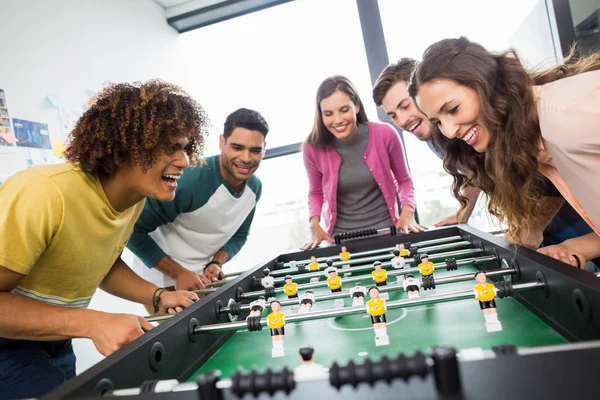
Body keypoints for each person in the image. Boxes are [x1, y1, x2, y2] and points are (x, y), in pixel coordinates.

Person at [0, 80, 204, 399]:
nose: (184, 160)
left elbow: (99, 263)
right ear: (126, 146)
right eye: (170, 147)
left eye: (185, 147)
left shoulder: (135, 199)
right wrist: (93, 323)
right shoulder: (44, 194)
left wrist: (157, 296)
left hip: (55, 336)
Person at [374, 58, 598, 263]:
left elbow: (547, 174)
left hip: (568, 210)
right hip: (537, 216)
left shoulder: (559, 117)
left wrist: (533, 228)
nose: (402, 120)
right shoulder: (440, 135)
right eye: (393, 115)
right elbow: (474, 172)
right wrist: (464, 212)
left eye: (405, 106)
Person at [127, 108, 268, 295]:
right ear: (222, 142)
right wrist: (178, 274)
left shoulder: (254, 188)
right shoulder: (189, 180)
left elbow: (239, 235)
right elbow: (131, 230)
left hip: (202, 276)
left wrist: (216, 262)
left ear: (264, 148)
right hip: (163, 278)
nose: (246, 158)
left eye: (255, 150)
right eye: (237, 147)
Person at [302, 75, 425, 250]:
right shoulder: (311, 148)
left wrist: (407, 213)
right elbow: (315, 192)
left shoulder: (385, 134)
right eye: (328, 114)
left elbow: (404, 181)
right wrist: (314, 224)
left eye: (344, 110)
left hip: (388, 233)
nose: (337, 120)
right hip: (339, 241)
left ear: (357, 106)